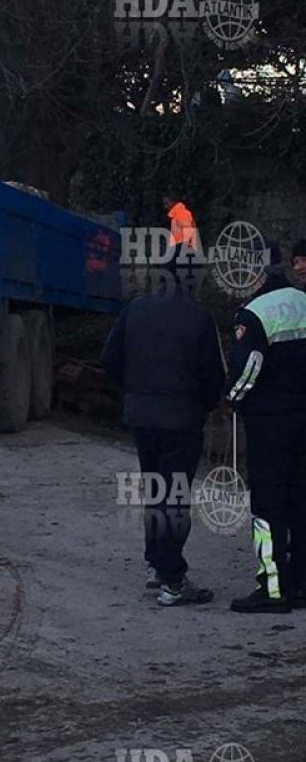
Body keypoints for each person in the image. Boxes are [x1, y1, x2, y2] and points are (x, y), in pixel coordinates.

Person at [102, 262, 225, 606]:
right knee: (174, 497)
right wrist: (205, 405)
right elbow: (212, 374)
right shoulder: (199, 317)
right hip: (181, 421)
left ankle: (156, 566)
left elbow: (109, 357)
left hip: (141, 417)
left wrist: (132, 393)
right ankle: (173, 580)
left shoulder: (135, 309)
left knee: (156, 491)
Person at [226, 252, 306, 613]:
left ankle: (274, 589)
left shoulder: (255, 313)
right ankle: (302, 585)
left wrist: (231, 398)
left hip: (271, 425)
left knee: (268, 506)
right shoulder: (303, 301)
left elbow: (248, 370)